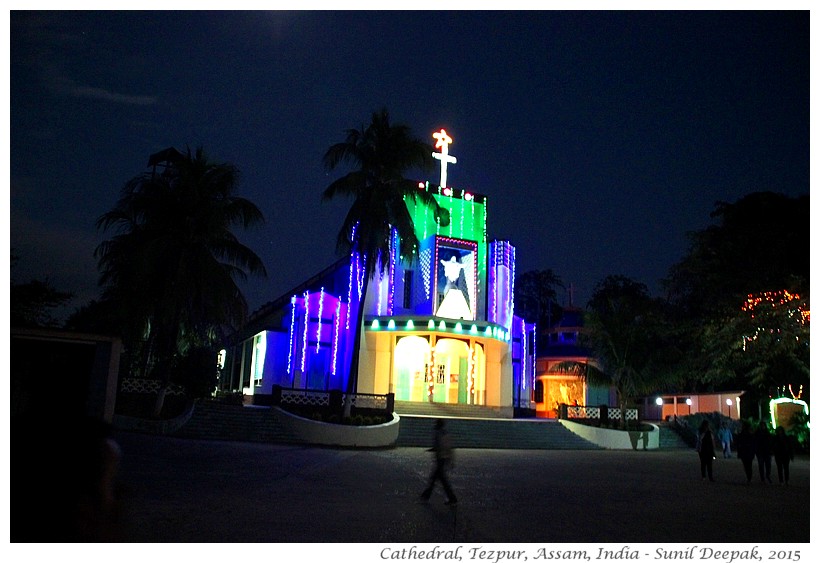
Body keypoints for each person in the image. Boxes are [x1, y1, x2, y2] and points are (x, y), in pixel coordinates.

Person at [420, 419, 458, 505]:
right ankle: (426, 495)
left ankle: (452, 498)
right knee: (437, 478)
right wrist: (450, 459)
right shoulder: (445, 433)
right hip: (443, 458)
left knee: (439, 479)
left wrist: (434, 450)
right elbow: (448, 447)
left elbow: (439, 446)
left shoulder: (438, 434)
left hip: (440, 458)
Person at [735, 420, 756, 484]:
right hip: (748, 452)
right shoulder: (751, 434)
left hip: (745, 452)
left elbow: (738, 442)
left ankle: (749, 478)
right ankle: (749, 478)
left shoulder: (742, 434)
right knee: (749, 466)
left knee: (746, 466)